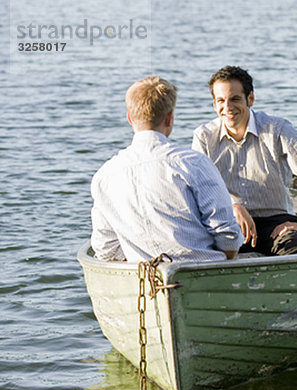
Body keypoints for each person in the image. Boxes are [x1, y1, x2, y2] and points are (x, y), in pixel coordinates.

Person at [91, 76, 244, 263]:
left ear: (130, 118)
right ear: (170, 117)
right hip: (201, 271)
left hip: (142, 276)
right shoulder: (193, 163)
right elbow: (227, 236)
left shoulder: (105, 176)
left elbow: (106, 249)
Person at [192, 66, 297, 256]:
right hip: (228, 223)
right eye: (220, 101)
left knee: (295, 244)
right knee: (195, 248)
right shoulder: (204, 136)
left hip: (276, 224)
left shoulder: (276, 129)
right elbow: (199, 189)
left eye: (235, 99)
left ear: (250, 98)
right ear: (214, 104)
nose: (227, 108)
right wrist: (232, 206)